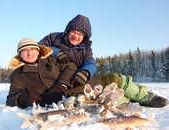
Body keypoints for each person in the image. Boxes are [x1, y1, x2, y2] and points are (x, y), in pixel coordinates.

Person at [38, 14, 168, 108]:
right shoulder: (54, 38)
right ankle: (131, 100)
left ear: (84, 37)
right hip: (58, 82)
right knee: (102, 98)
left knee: (118, 79)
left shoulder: (85, 48)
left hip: (80, 79)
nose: (76, 36)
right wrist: (57, 52)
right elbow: (36, 48)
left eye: (80, 34)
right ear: (68, 31)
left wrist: (85, 72)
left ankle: (146, 97)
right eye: (74, 32)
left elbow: (90, 63)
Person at [6, 38, 78, 109]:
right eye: (24, 50)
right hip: (44, 105)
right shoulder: (17, 74)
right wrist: (24, 98)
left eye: (32, 49)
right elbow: (11, 99)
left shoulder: (51, 61)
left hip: (68, 96)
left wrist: (62, 86)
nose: (29, 53)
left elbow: (70, 67)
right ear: (20, 54)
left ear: (38, 51)